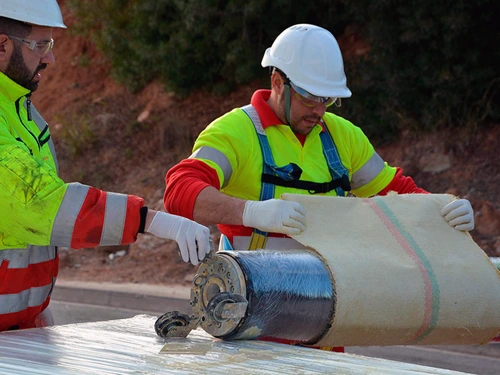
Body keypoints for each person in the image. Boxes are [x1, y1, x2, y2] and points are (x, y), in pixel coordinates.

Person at [164, 24, 474, 351]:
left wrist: (442, 209)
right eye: (310, 97)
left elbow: (396, 191)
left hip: (325, 317)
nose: (319, 109)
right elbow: (180, 189)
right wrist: (250, 211)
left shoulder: (343, 137)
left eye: (327, 98)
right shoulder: (236, 132)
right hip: (250, 324)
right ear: (277, 82)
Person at [0, 1, 211, 332]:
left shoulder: (21, 112)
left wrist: (31, 313)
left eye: (50, 45)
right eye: (40, 45)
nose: (50, 58)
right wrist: (149, 220)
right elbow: (43, 204)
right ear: (2, 45)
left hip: (19, 329)